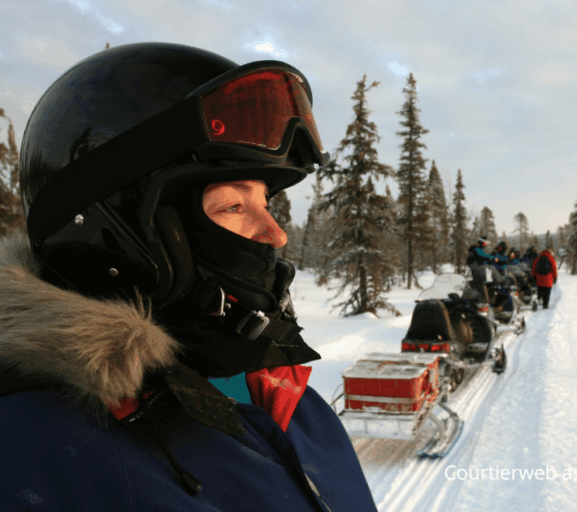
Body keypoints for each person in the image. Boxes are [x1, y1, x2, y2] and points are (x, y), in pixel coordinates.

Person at [0, 42, 377, 511]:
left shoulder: (285, 394)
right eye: (235, 206)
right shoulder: (31, 454)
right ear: (119, 233)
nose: (276, 235)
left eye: (267, 203)